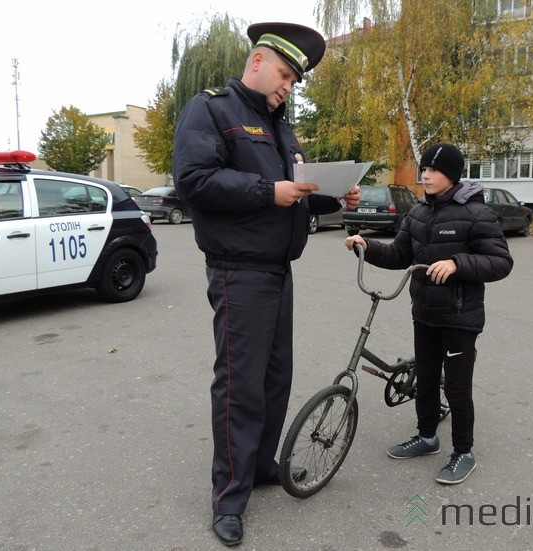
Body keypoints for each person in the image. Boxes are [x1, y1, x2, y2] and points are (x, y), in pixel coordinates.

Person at [172, 22, 360, 547]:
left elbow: (293, 192)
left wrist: (332, 198)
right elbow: (193, 181)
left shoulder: (281, 127)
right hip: (239, 271)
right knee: (239, 384)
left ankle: (257, 466)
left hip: (279, 270)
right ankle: (228, 498)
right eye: (285, 74)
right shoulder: (211, 110)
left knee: (276, 377)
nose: (288, 87)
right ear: (257, 61)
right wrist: (265, 190)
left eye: (295, 81)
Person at [344, 143, 513, 485]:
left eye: (434, 170)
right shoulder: (418, 213)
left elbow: (501, 262)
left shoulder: (476, 214)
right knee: (425, 376)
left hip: (460, 315)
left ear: (452, 175)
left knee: (456, 387)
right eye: (424, 169)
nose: (426, 175)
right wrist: (367, 245)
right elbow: (398, 254)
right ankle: (426, 437)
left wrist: (457, 263)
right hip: (424, 311)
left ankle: (464, 452)